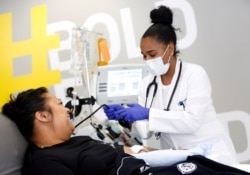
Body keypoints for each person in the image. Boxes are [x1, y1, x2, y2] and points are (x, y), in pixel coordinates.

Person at [103, 5, 239, 166]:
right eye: (144, 55)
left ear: (170, 48)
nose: (147, 60)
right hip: (177, 158)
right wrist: (126, 118)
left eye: (152, 54)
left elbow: (191, 121)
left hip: (210, 153)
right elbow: (146, 132)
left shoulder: (194, 74)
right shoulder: (147, 84)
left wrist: (147, 113)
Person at [2, 87, 212, 175]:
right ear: (43, 116)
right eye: (58, 104)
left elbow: (126, 152)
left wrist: (140, 150)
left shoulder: (76, 141)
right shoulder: (44, 163)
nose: (66, 109)